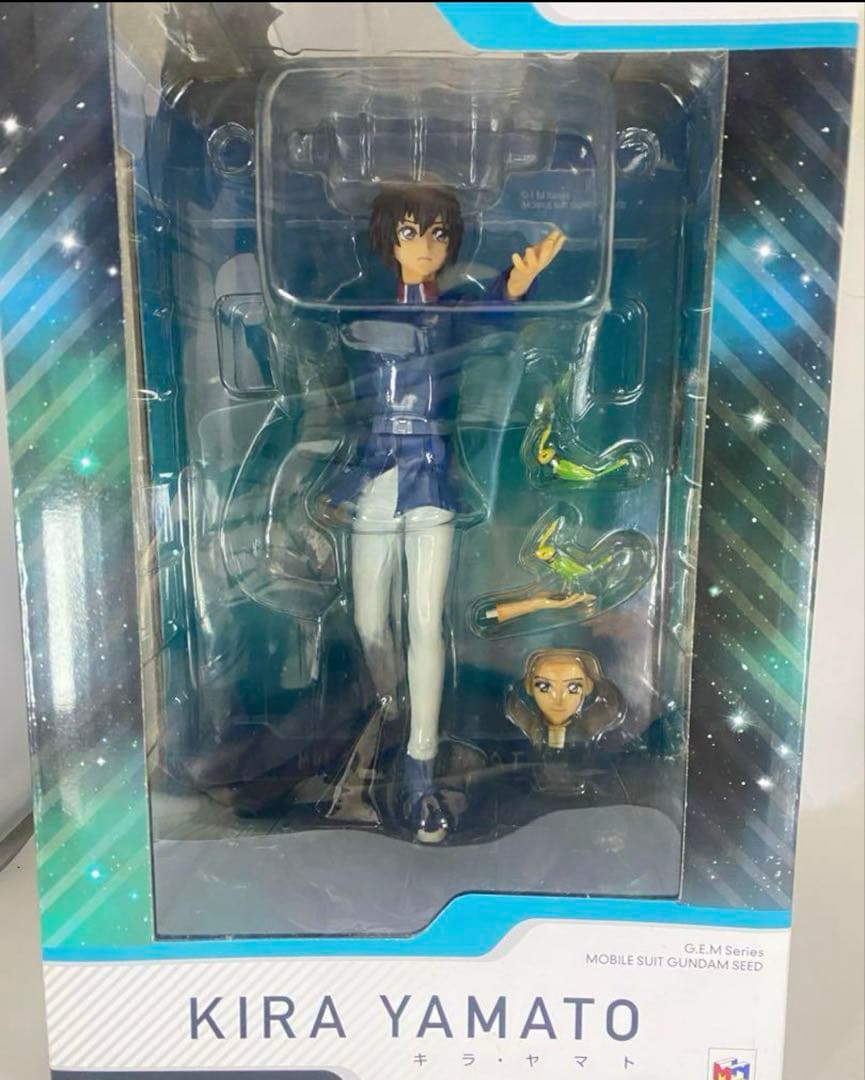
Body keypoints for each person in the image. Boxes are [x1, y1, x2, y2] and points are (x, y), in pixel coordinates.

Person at [324, 184, 564, 843]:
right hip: (374, 473)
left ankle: (420, 765)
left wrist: (516, 286)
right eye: (411, 233)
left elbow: (493, 315)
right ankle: (389, 705)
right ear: (388, 241)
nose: (426, 247)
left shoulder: (454, 310)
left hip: (430, 475)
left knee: (426, 622)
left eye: (437, 234)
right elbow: (328, 391)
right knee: (368, 618)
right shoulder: (359, 308)